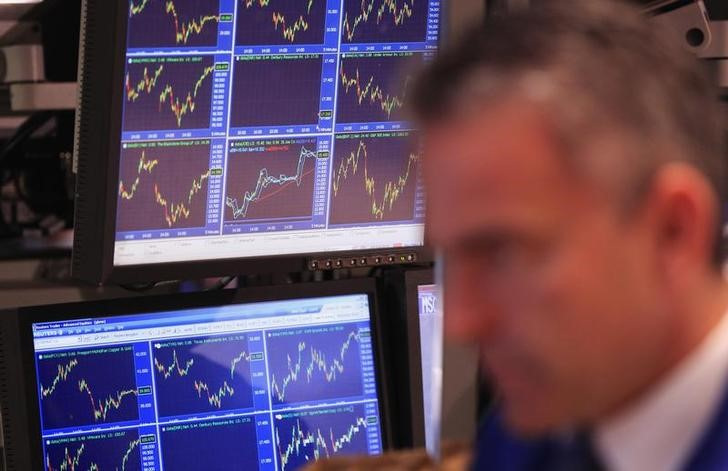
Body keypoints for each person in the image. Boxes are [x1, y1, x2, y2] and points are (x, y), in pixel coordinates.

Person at [410, 1, 728, 470]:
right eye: (451, 258)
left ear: (673, 232)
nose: (460, 323)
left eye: (502, 254)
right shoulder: (536, 432)